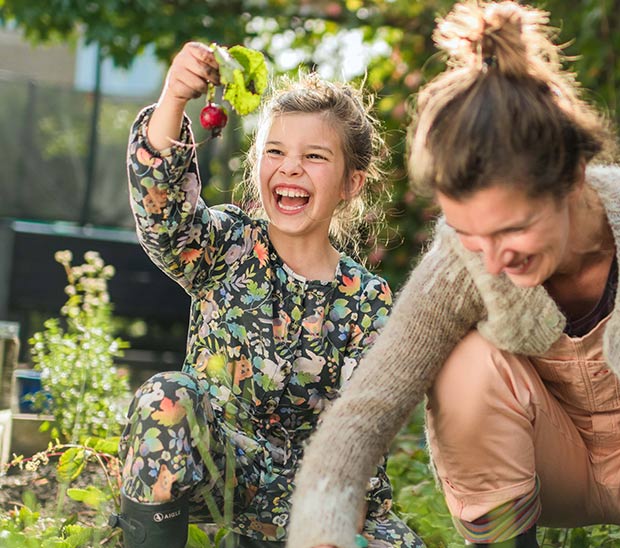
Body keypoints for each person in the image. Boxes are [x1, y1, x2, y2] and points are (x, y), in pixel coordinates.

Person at [285, 2, 620, 547]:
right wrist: (322, 524)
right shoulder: (462, 260)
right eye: (468, 233)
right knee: (467, 363)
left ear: (574, 177)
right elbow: (371, 403)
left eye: (512, 230)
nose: (490, 258)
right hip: (545, 467)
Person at [110, 42, 424, 548]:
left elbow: (361, 436)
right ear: (257, 165)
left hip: (320, 500)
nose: (291, 167)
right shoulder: (225, 248)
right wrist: (175, 95)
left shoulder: (368, 301)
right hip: (224, 480)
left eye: (314, 156)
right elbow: (161, 209)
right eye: (275, 152)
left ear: (351, 182)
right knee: (166, 397)